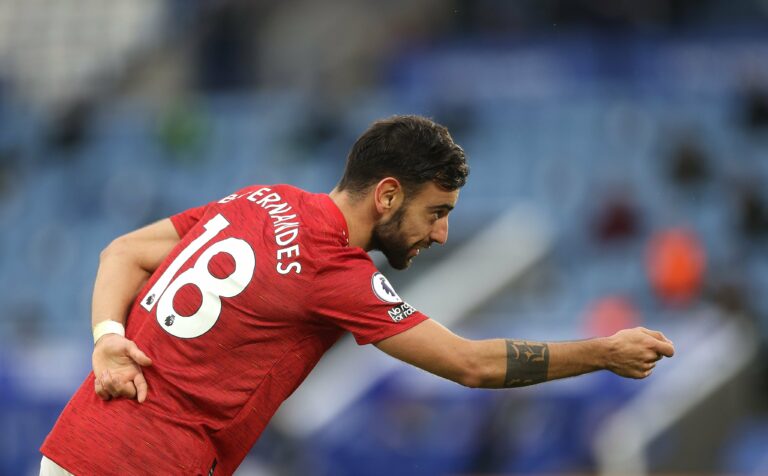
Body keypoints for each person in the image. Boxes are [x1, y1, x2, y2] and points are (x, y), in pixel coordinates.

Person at [40, 115, 675, 475]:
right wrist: (603, 353)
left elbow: (119, 252)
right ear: (389, 195)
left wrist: (107, 339)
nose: (443, 233)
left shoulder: (262, 199)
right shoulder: (333, 271)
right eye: (437, 211)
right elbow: (471, 364)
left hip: (78, 445)